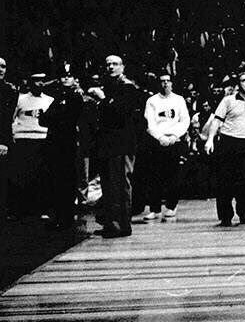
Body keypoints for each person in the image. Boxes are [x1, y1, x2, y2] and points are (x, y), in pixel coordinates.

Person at [91, 56, 145, 238]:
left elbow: (121, 112)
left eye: (115, 64)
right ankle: (111, 223)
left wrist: (103, 99)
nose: (111, 67)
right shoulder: (109, 85)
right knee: (109, 186)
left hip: (122, 144)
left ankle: (121, 226)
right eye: (107, 64)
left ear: (122, 67)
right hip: (108, 144)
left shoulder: (127, 87)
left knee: (120, 185)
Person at [205, 71, 245, 226]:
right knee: (225, 181)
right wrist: (210, 139)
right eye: (243, 80)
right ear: (238, 83)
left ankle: (242, 212)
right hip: (228, 143)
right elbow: (216, 121)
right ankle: (226, 216)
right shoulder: (228, 101)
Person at [39, 67, 85, 229]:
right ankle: (58, 215)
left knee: (67, 179)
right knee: (56, 180)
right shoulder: (58, 97)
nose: (66, 79)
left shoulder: (76, 96)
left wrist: (54, 117)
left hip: (68, 143)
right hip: (55, 142)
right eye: (63, 76)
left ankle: (66, 217)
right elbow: (43, 119)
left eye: (69, 76)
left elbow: (68, 118)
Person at [143, 73, 191, 220]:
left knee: (173, 176)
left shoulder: (179, 100)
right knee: (154, 176)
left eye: (168, 81)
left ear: (172, 83)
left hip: (174, 141)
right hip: (157, 141)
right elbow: (150, 122)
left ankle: (171, 206)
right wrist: (160, 137)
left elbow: (184, 120)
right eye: (162, 81)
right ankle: (155, 209)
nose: (165, 84)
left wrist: (174, 136)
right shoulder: (152, 100)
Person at [9, 73, 54, 220]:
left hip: (42, 138)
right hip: (23, 138)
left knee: (41, 175)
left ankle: (41, 208)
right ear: (30, 83)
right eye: (36, 81)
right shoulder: (20, 99)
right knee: (23, 175)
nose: (39, 84)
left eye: (42, 81)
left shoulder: (49, 100)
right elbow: (12, 118)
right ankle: (22, 210)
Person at [0, 57, 17, 221]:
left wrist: (4, 141)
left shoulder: (9, 90)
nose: (0, 69)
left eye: (3, 66)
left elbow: (6, 119)